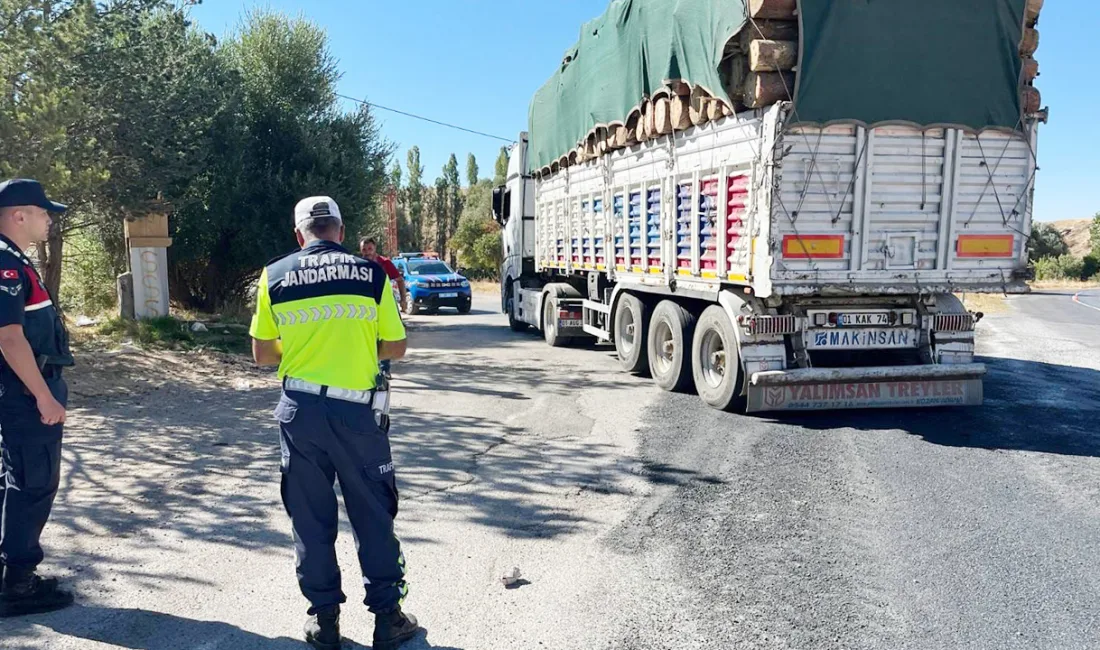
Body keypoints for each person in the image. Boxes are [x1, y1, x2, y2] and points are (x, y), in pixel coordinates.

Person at [250, 196, 420, 650]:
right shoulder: (372, 275)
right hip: (357, 415)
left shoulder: (276, 275)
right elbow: (396, 346)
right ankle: (388, 618)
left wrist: (305, 349)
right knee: (373, 516)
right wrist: (357, 347)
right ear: (341, 231)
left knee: (310, 518)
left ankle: (324, 623)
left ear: (299, 235)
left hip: (300, 412)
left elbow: (263, 354)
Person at [0, 179, 75, 618]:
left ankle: (12, 574)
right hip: (24, 392)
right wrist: (43, 396)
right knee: (33, 482)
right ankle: (19, 586)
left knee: (18, 480)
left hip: (22, 389)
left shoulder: (14, 260)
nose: (50, 219)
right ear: (19, 215)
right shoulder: (5, 265)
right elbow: (9, 339)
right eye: (44, 212)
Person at [359, 237, 405, 377]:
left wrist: (403, 299)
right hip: (366, 305)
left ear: (375, 249)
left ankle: (385, 368)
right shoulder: (358, 265)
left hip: (385, 303)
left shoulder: (385, 263)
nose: (367, 252)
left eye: (369, 249)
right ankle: (371, 365)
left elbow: (399, 280)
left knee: (386, 334)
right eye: (364, 250)